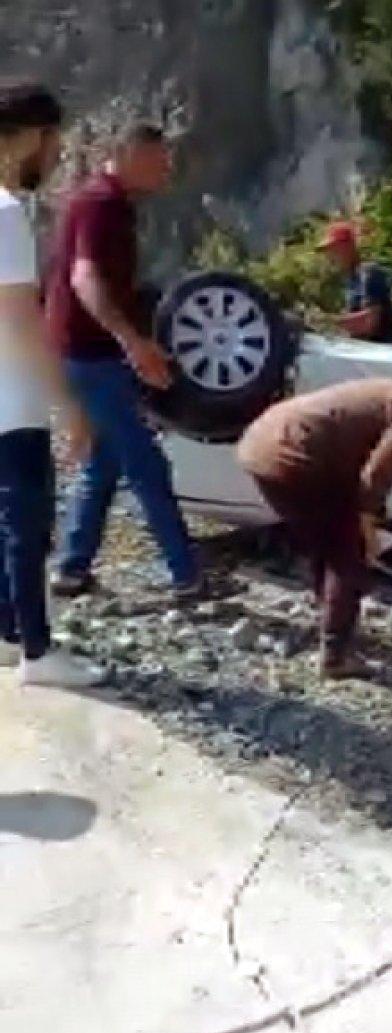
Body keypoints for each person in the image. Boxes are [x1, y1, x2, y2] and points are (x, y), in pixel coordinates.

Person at [237, 359, 392, 679]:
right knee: (349, 559)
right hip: (292, 457)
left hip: (264, 444)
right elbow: (375, 477)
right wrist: (367, 528)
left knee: (327, 544)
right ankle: (336, 657)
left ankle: (332, 619)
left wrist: (366, 519)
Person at [44, 121, 202, 599]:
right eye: (160, 159)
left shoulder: (103, 202)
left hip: (80, 352)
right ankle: (186, 576)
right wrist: (132, 341)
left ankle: (71, 568)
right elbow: (84, 277)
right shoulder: (101, 204)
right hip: (92, 356)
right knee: (145, 464)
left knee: (105, 461)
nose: (166, 170)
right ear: (131, 153)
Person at [0, 79, 102, 688]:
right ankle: (38, 651)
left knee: (6, 520)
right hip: (14, 398)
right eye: (54, 141)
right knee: (28, 523)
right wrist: (68, 403)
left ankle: (9, 635)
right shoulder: (6, 213)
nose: (58, 154)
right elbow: (16, 316)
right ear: (30, 139)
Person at [318, 220, 392, 344]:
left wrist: (329, 321)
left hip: (384, 353)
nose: (330, 256)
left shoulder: (369, 274)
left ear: (347, 247)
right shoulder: (351, 280)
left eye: (334, 249)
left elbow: (369, 323)